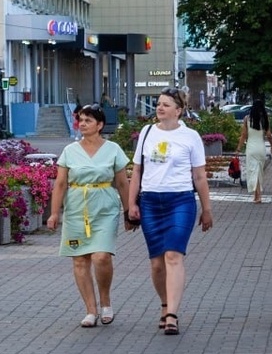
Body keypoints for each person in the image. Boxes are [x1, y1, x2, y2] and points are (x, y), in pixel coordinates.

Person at [125, 87, 214, 336]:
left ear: (179, 110)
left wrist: (206, 209)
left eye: (165, 104)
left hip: (180, 201)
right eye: (158, 104)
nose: (160, 108)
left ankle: (173, 314)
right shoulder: (147, 132)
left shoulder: (190, 136)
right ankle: (164, 304)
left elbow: (199, 176)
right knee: (156, 263)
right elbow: (137, 172)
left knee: (173, 255)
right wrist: (131, 204)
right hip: (151, 202)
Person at [47, 104, 130, 328]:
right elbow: (61, 183)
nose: (82, 124)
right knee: (80, 259)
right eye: (81, 120)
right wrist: (54, 213)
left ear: (100, 125)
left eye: (88, 120)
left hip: (105, 207)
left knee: (101, 256)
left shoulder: (113, 149)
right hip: (76, 208)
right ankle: (90, 310)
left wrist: (129, 211)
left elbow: (122, 182)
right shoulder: (70, 151)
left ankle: (106, 301)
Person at [239, 98, 272, 203]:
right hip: (261, 147)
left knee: (252, 171)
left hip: (251, 147)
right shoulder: (264, 119)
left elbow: (243, 135)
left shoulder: (247, 119)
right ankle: (258, 195)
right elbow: (269, 135)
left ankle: (257, 195)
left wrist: (238, 147)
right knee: (259, 171)